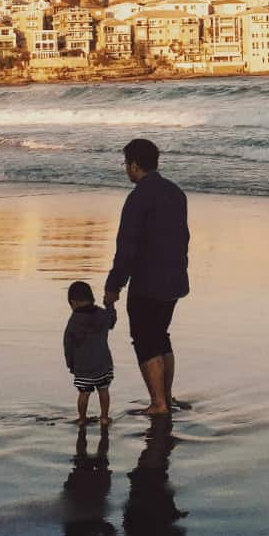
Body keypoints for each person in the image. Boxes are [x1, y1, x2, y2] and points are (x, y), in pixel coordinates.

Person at [104, 138, 189, 417]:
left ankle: (158, 403)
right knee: (161, 336)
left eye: (126, 164)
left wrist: (114, 285)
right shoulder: (176, 193)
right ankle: (167, 396)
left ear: (134, 165)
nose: (126, 169)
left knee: (144, 339)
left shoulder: (138, 198)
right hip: (174, 279)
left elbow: (127, 246)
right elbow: (183, 237)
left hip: (148, 281)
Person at [63, 281, 117, 426]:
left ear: (73, 302)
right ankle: (104, 417)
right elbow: (112, 321)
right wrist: (110, 305)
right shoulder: (102, 314)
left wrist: (70, 364)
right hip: (103, 364)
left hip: (83, 367)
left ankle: (82, 418)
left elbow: (68, 345)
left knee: (84, 393)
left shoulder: (74, 321)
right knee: (104, 390)